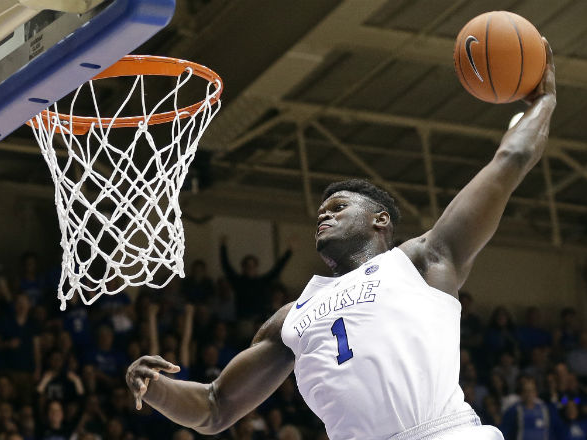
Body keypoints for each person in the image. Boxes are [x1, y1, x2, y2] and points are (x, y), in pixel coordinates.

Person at [126, 40, 556, 440]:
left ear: (380, 220)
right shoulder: (289, 319)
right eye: (321, 212)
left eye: (338, 207)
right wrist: (156, 388)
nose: (324, 215)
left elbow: (511, 159)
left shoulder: (422, 260)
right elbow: (215, 407)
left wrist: (544, 102)